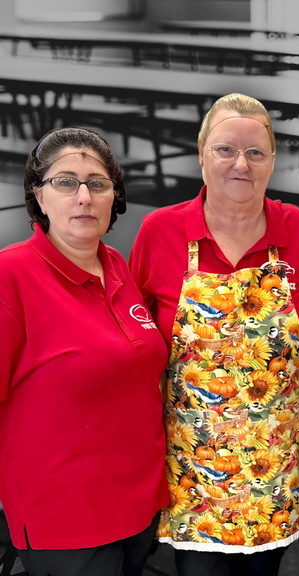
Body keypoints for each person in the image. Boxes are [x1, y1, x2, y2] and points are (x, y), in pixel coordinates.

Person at [129, 94, 299, 576]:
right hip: (195, 475)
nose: (241, 163)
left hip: (272, 469)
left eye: (255, 152)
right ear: (201, 155)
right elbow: (130, 337)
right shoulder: (160, 231)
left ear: (273, 161)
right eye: (225, 150)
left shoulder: (297, 230)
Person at [0, 127, 167, 576]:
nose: (84, 197)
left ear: (114, 196)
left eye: (97, 183)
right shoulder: (11, 275)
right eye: (65, 182)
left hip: (139, 501)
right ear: (38, 193)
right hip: (65, 515)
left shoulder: (117, 265)